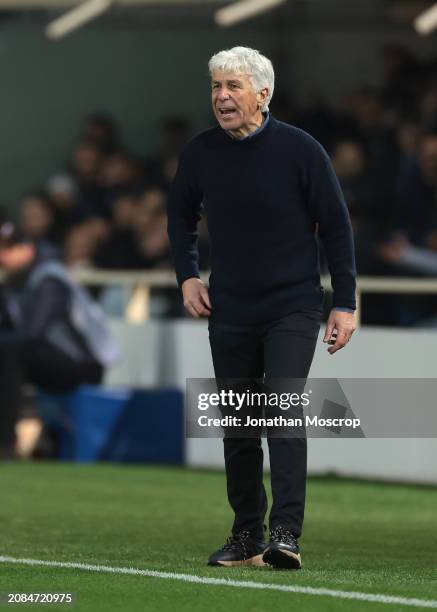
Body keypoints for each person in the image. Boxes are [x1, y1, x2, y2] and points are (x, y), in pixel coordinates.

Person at [167, 46, 357, 570]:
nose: (221, 97)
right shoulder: (201, 153)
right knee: (238, 423)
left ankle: (285, 535)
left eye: (232, 86)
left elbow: (337, 229)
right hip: (230, 307)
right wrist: (187, 275)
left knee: (281, 410)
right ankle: (246, 534)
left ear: (263, 93)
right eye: (215, 87)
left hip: (293, 306)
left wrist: (345, 302)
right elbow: (179, 217)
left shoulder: (301, 150)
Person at [0, 220, 118, 459]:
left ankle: (6, 444)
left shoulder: (50, 278)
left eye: (8, 248)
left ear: (28, 249)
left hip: (82, 363)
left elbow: (34, 331)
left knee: (11, 352)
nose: (3, 255)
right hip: (52, 358)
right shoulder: (14, 282)